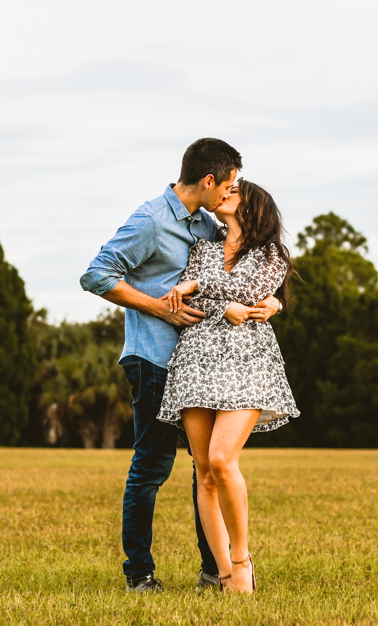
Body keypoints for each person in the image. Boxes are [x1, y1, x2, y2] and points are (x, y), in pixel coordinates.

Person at [79, 138, 282, 593]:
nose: (233, 192)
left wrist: (273, 299)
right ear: (210, 181)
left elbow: (240, 267)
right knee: (152, 465)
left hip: (202, 365)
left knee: (206, 469)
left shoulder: (207, 226)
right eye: (229, 184)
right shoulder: (151, 220)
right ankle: (140, 574)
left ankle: (216, 572)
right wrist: (157, 307)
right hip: (152, 356)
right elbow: (96, 274)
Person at [157, 180, 299, 594]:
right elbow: (181, 300)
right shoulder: (201, 249)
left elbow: (253, 295)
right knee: (204, 472)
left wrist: (202, 288)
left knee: (222, 459)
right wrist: (203, 295)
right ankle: (223, 575)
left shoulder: (272, 254)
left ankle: (242, 560)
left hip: (247, 361)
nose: (225, 193)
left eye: (235, 191)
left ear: (252, 206)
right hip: (196, 360)